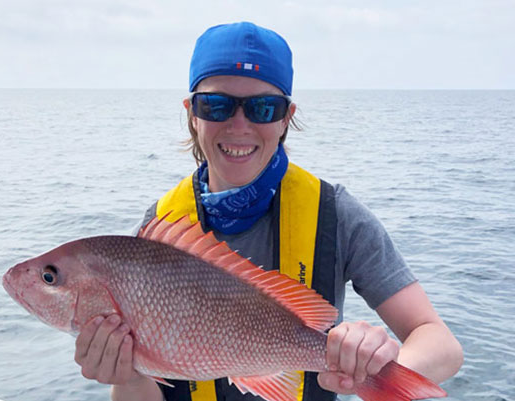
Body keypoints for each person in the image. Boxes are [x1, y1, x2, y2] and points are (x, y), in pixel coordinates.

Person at [73, 22, 463, 401]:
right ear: (193, 113)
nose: (239, 125)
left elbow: (441, 344)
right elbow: (141, 393)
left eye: (263, 107)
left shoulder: (336, 215)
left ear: (285, 119)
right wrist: (124, 374)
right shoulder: (162, 224)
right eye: (216, 105)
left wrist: (377, 365)